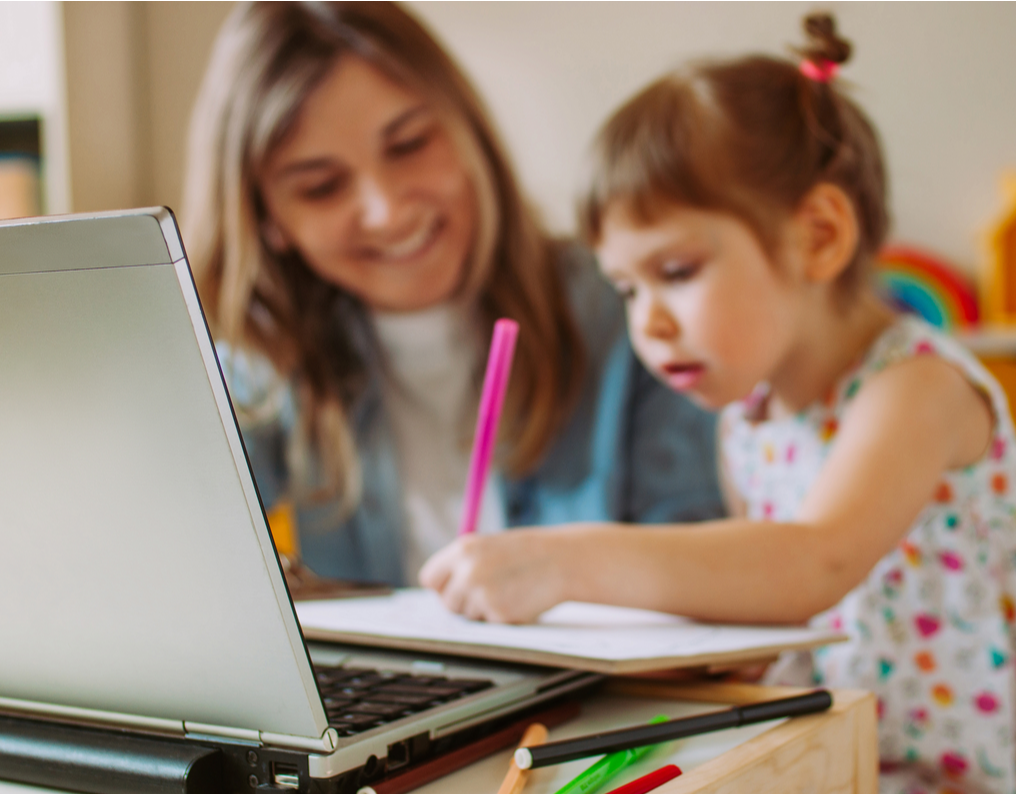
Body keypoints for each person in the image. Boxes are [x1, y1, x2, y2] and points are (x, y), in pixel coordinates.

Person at [419, 14, 1016, 794]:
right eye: (626, 287)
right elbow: (769, 596)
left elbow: (811, 561)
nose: (646, 324)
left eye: (677, 270)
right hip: (854, 748)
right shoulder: (750, 421)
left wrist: (563, 559)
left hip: (982, 775)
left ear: (818, 236)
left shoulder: (915, 389)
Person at [178, 1, 725, 589]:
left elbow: (701, 583)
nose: (388, 212)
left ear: (467, 131)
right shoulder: (260, 365)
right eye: (322, 187)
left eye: (410, 143)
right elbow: (174, 542)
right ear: (268, 220)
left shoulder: (630, 313)